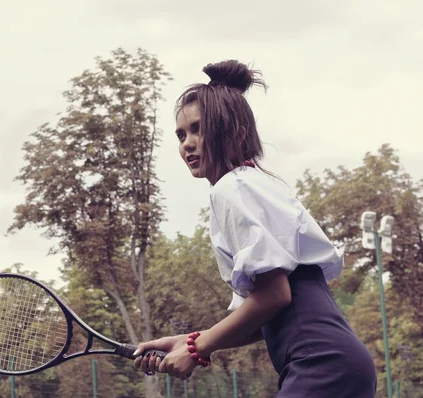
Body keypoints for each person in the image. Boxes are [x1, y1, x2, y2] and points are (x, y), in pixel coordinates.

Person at [133, 60, 377, 397]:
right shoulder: (254, 185)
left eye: (198, 129)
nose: (187, 143)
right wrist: (191, 341)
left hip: (320, 364)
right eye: (180, 135)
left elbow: (275, 295)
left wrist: (195, 350)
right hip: (339, 363)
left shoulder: (231, 189)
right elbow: (266, 315)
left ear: (236, 133)